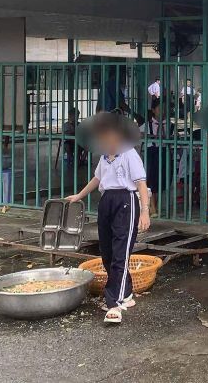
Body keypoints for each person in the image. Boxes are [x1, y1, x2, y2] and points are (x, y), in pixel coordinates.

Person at [65, 112, 150, 324]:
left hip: (126, 202)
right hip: (107, 201)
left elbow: (141, 183)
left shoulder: (129, 154)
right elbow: (97, 178)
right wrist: (79, 195)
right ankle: (127, 293)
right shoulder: (104, 157)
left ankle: (115, 303)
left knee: (121, 253)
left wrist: (145, 211)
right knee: (108, 252)